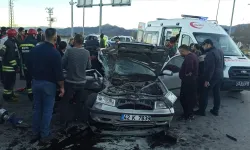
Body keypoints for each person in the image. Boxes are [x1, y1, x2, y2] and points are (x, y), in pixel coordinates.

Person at [27, 28, 64, 143]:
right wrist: (62, 87)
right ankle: (45, 135)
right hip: (49, 85)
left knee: (37, 109)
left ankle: (35, 133)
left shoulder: (35, 49)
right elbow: (59, 73)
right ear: (54, 37)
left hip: (36, 82)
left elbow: (27, 64)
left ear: (43, 36)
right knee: (47, 111)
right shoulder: (55, 53)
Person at [60, 34, 91, 126]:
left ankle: (63, 121)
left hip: (70, 81)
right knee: (79, 101)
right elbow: (89, 66)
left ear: (74, 41)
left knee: (65, 102)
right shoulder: (87, 52)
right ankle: (77, 120)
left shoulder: (69, 51)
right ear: (82, 42)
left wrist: (68, 68)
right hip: (81, 82)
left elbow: (62, 63)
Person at [195, 39, 224, 116]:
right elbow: (223, 64)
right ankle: (216, 110)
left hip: (212, 77)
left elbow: (209, 69)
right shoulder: (220, 51)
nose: (203, 47)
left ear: (208, 45)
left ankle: (201, 111)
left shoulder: (210, 54)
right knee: (216, 93)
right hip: (219, 76)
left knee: (204, 93)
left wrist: (207, 80)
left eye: (203, 45)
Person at [178, 44, 199, 120]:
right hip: (192, 81)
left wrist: (186, 74)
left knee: (184, 98)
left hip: (188, 81)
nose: (180, 54)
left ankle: (186, 114)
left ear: (183, 50)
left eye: (180, 52)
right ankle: (190, 113)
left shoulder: (189, 57)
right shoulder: (193, 55)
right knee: (190, 98)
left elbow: (189, 69)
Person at [19, 29, 38, 101]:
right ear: (33, 34)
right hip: (33, 66)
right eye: (35, 34)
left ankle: (30, 95)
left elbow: (20, 55)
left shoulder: (22, 42)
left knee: (28, 80)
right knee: (35, 80)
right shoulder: (34, 42)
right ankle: (35, 94)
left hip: (25, 65)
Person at [2, 29, 19, 102]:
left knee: (11, 82)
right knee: (8, 83)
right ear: (13, 35)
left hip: (8, 67)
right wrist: (15, 66)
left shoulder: (10, 42)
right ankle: (7, 97)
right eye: (16, 34)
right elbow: (11, 57)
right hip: (9, 68)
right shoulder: (10, 44)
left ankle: (11, 94)